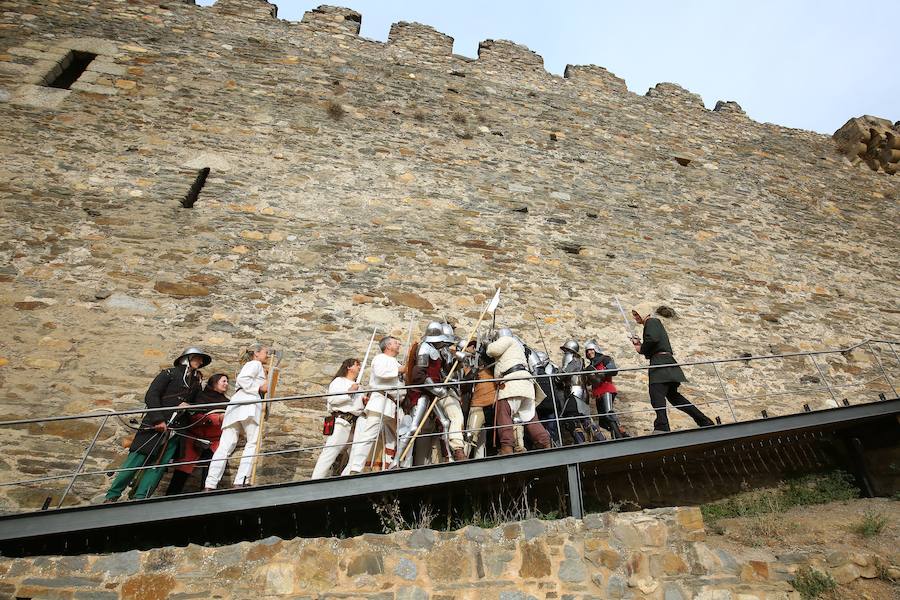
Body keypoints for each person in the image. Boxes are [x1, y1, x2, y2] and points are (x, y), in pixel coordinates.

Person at [105, 346, 208, 502]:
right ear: (186, 358)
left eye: (200, 360)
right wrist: (158, 419)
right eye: (196, 358)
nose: (200, 362)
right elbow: (152, 395)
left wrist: (189, 406)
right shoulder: (169, 374)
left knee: (157, 467)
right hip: (154, 426)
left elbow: (198, 404)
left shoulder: (195, 382)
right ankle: (112, 496)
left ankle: (141, 498)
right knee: (135, 461)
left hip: (176, 430)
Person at [631, 303, 714, 432]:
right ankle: (704, 421)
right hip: (665, 362)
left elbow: (652, 339)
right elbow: (653, 342)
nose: (635, 317)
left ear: (643, 312)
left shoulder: (651, 322)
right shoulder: (653, 323)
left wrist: (641, 348)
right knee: (675, 398)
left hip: (661, 364)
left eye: (637, 314)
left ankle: (662, 427)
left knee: (656, 395)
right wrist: (641, 346)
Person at [204, 344, 269, 490]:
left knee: (225, 446)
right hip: (249, 404)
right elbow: (243, 379)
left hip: (236, 406)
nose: (268, 355)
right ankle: (241, 480)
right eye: (266, 352)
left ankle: (210, 484)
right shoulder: (255, 363)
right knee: (252, 442)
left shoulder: (254, 366)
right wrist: (258, 388)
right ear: (256, 354)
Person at [392, 322, 449, 467]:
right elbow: (419, 375)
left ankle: (449, 457)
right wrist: (436, 389)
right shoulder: (424, 348)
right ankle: (396, 460)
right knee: (413, 427)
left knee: (445, 422)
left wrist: (454, 361)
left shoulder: (437, 350)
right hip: (423, 394)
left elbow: (441, 372)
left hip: (431, 394)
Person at [486, 328, 551, 454]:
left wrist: (487, 343)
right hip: (526, 384)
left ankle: (507, 448)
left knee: (503, 414)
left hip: (513, 382)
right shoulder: (518, 347)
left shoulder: (508, 340)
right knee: (531, 419)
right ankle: (546, 443)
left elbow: (492, 350)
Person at [346, 336, 403, 474]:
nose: (399, 344)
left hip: (391, 404)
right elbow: (381, 373)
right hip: (380, 401)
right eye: (396, 342)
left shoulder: (395, 362)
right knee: (369, 435)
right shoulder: (380, 358)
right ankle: (355, 468)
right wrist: (400, 370)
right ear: (388, 346)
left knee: (400, 434)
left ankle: (396, 464)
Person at [165, 373, 227, 495]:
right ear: (214, 383)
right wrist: (215, 418)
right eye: (223, 381)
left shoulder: (227, 402)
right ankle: (171, 496)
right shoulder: (200, 398)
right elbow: (193, 414)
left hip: (214, 440)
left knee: (212, 465)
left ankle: (205, 495)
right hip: (193, 437)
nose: (226, 384)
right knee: (183, 467)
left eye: (227, 382)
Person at [311, 358, 365, 479]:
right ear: (349, 367)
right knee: (330, 452)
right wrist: (349, 392)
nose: (359, 368)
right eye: (357, 365)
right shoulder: (339, 381)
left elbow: (357, 407)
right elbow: (332, 399)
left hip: (354, 424)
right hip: (341, 421)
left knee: (355, 453)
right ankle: (315, 480)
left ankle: (345, 478)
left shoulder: (359, 387)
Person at [559, 340, 605, 443]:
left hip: (573, 392)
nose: (564, 352)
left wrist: (557, 378)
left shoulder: (570, 356)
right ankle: (599, 437)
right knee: (584, 417)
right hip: (583, 392)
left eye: (565, 350)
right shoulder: (580, 360)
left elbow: (565, 372)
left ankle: (581, 442)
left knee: (572, 419)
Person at [584, 340, 629, 439]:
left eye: (591, 350)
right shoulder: (589, 367)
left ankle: (618, 436)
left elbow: (613, 370)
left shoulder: (605, 359)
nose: (589, 352)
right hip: (597, 393)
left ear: (596, 349)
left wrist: (599, 374)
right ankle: (620, 432)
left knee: (608, 413)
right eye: (587, 351)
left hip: (606, 388)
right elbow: (588, 382)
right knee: (603, 421)